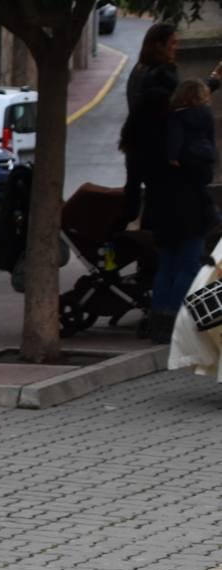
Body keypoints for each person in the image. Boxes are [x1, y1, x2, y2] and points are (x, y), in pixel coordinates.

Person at [120, 23, 222, 230]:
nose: (175, 48)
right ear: (159, 45)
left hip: (146, 160)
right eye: (172, 43)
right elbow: (182, 103)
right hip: (162, 162)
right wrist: (211, 84)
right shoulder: (160, 77)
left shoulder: (139, 73)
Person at [150, 79, 221, 342]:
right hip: (191, 205)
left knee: (167, 264)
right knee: (189, 264)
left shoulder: (166, 122)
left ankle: (158, 318)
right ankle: (176, 319)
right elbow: (204, 167)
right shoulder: (199, 119)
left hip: (164, 205)